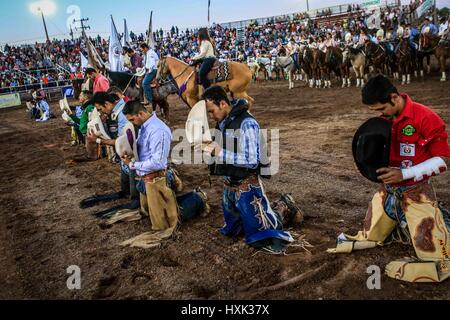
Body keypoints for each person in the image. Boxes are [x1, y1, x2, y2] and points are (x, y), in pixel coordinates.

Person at [328, 75, 450, 283]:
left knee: (439, 256)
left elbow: (444, 159)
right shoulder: (384, 119)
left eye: (381, 108)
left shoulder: (425, 117)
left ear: (394, 97)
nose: (378, 114)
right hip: (388, 191)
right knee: (370, 234)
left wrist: (404, 174)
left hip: (416, 192)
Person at [200, 86, 301, 254]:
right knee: (233, 230)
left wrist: (219, 151)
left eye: (211, 111)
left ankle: (283, 208)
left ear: (223, 104)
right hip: (230, 187)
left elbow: (252, 161)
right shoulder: (223, 121)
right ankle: (270, 208)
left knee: (260, 236)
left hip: (246, 185)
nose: (211, 116)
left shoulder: (247, 123)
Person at [120, 101, 209, 248]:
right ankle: (188, 197)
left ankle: (198, 198)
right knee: (153, 213)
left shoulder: (158, 130)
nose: (132, 123)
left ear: (141, 114)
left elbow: (158, 163)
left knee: (169, 221)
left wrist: (133, 164)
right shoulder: (144, 127)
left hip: (156, 178)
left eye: (132, 119)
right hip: (147, 179)